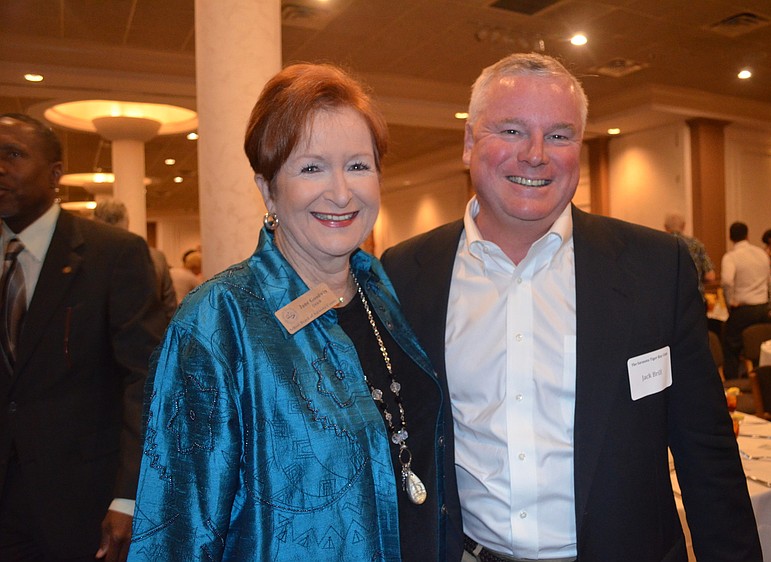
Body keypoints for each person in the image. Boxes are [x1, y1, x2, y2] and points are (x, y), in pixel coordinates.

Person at [382, 53, 760, 561]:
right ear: (469, 143)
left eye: (559, 135)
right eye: (512, 130)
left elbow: (706, 452)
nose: (536, 154)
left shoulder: (655, 268)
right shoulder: (407, 272)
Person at [128, 63, 461, 561]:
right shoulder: (219, 320)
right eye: (311, 168)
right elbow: (177, 533)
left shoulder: (381, 290)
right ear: (267, 189)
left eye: (358, 165)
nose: (342, 192)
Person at [0, 113, 167, 561]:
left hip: (78, 504)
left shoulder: (112, 254)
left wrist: (129, 496)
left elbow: (144, 378)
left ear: (56, 173)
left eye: (12, 154)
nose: (0, 167)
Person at [93, 198, 178, 321]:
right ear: (127, 222)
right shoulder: (155, 256)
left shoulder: (88, 257)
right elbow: (169, 306)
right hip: (148, 332)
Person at [720, 222, 771, 379]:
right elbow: (770, 280)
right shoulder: (762, 253)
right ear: (748, 235)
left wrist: (730, 301)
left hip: (744, 309)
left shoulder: (731, 256)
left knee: (729, 345)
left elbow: (727, 281)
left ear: (730, 237)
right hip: (763, 306)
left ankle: (733, 381)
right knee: (758, 343)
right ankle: (761, 377)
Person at [663, 212, 715, 294]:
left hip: (668, 297)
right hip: (694, 297)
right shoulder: (696, 244)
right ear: (683, 225)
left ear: (665, 227)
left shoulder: (661, 245)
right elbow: (710, 276)